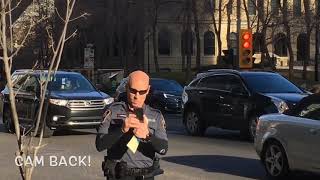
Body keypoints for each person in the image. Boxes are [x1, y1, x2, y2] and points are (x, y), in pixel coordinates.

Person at [96, 70, 168, 180]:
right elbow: (100, 145)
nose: (136, 96)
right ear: (126, 87)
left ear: (148, 90)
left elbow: (163, 149)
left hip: (146, 175)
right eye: (133, 91)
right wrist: (122, 130)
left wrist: (148, 135)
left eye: (142, 92)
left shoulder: (156, 115)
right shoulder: (113, 111)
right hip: (120, 175)